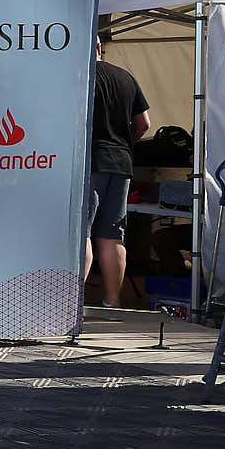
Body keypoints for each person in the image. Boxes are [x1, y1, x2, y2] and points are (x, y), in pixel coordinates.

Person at [87, 40, 151, 309]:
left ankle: (71, 304)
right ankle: (112, 302)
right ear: (100, 47)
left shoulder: (80, 76)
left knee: (81, 233)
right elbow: (144, 124)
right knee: (112, 234)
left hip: (89, 161)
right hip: (121, 163)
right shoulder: (126, 77)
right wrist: (124, 143)